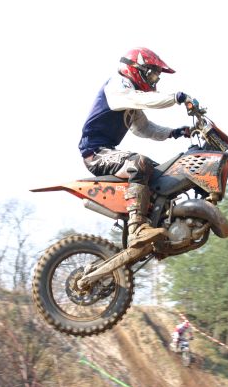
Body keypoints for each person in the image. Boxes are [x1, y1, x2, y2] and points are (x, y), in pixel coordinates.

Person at [78, 47, 196, 248]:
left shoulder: (129, 96)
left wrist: (175, 132)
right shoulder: (118, 85)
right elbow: (141, 99)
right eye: (152, 74)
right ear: (137, 69)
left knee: (164, 173)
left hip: (108, 151)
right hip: (95, 153)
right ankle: (136, 229)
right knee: (139, 164)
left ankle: (161, 226)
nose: (154, 80)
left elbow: (144, 128)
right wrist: (176, 97)